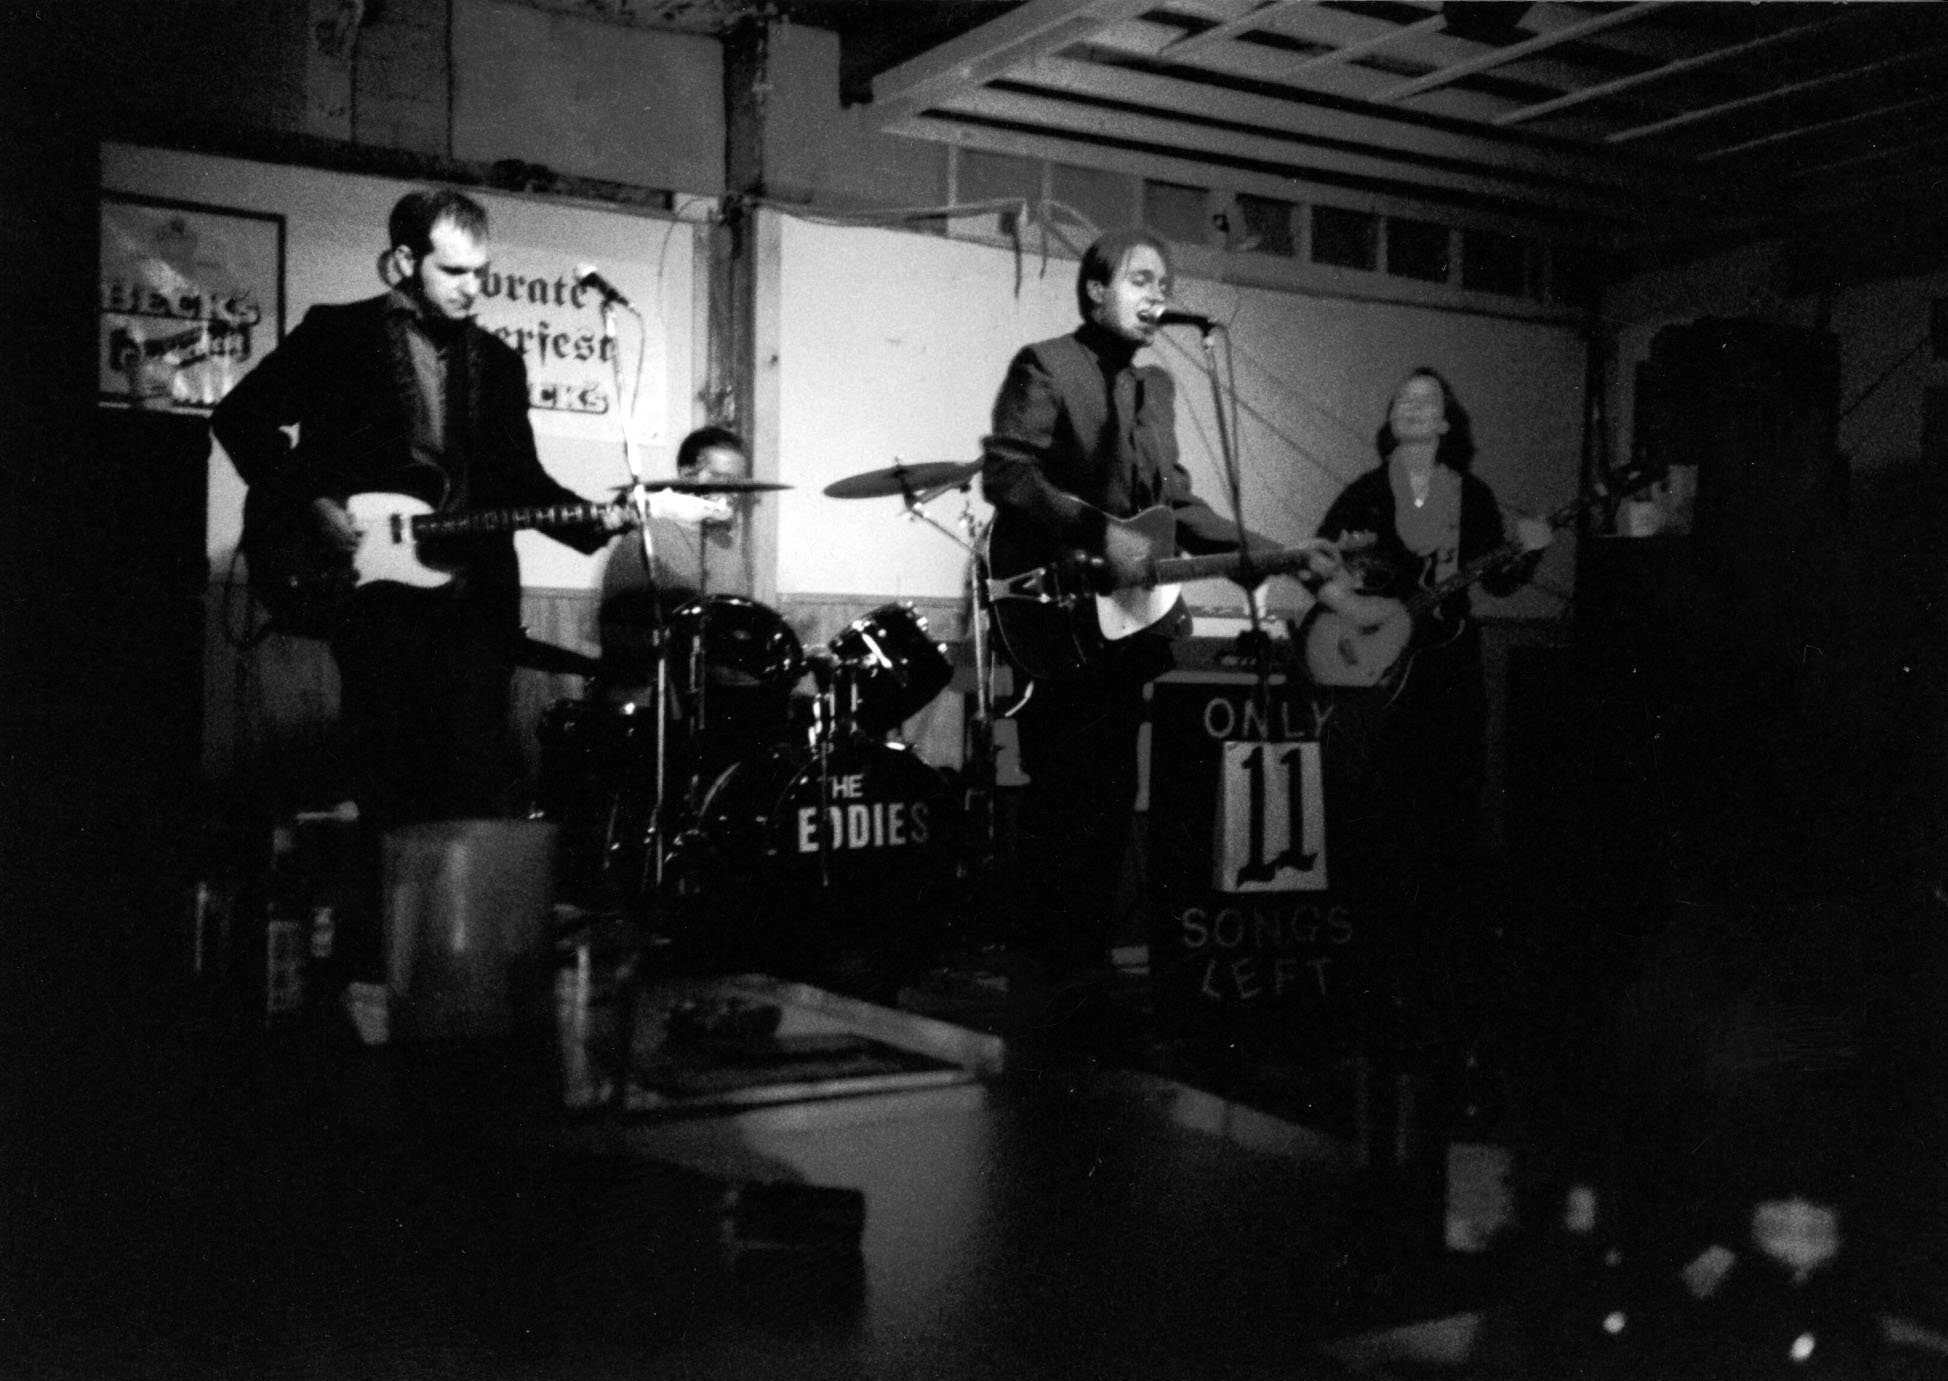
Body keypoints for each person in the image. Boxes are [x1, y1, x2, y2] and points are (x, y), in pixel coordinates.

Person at [212, 188, 714, 961]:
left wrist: (597, 517)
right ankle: (386, 970)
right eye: (455, 271)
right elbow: (239, 417)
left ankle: (464, 973)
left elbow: (522, 485)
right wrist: (312, 498)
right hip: (377, 605)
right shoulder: (336, 336)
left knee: (475, 793)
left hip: (475, 612)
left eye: (483, 271)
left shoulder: (500, 365)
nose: (473, 287)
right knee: (389, 793)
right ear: (405, 261)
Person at [981, 228, 1266, 1059]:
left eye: (1165, 281)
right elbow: (1008, 473)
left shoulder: (1160, 389)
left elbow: (1173, 500)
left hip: (1129, 626)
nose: (1157, 293)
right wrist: (1096, 530)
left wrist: (1260, 548)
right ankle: (1045, 987)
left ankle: (1088, 983)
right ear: (1094, 290)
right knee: (1061, 798)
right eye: (1142, 278)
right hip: (1058, 612)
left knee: (1108, 800)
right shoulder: (1045, 363)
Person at [1309, 367, 1550, 1025]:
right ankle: (1373, 987)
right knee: (1378, 830)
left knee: (1447, 827)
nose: (1415, 405)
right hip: (1382, 687)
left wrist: (1528, 555)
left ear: (1447, 424)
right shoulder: (1362, 494)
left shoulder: (1470, 496)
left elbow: (1497, 585)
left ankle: (1435, 991)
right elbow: (1317, 570)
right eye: (1403, 399)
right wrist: (1359, 609)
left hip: (1448, 680)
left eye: (1430, 400)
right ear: (1390, 421)